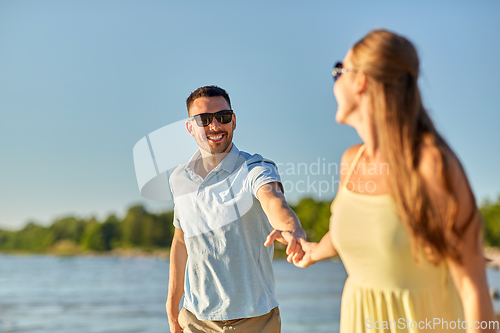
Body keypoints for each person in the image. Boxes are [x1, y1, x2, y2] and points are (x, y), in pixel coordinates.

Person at [290, 30, 496, 332]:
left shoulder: (431, 166)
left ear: (360, 80)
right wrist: (313, 251)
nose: (334, 83)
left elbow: (473, 288)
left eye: (338, 70)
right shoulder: (352, 162)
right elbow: (358, 224)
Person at [166, 85, 306, 333]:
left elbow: (273, 201)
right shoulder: (179, 178)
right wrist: (172, 305)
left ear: (233, 121)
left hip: (255, 320)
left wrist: (291, 228)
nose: (215, 126)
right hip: (195, 320)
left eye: (223, 117)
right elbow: (181, 239)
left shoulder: (255, 168)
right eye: (204, 120)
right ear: (190, 127)